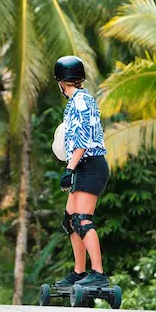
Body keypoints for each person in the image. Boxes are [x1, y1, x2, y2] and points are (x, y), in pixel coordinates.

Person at [54, 55, 110, 289]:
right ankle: (79, 272)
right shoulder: (81, 99)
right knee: (70, 220)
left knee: (81, 219)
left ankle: (97, 273)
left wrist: (69, 168)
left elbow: (82, 141)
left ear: (60, 81)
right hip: (84, 166)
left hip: (91, 166)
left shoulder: (79, 102)